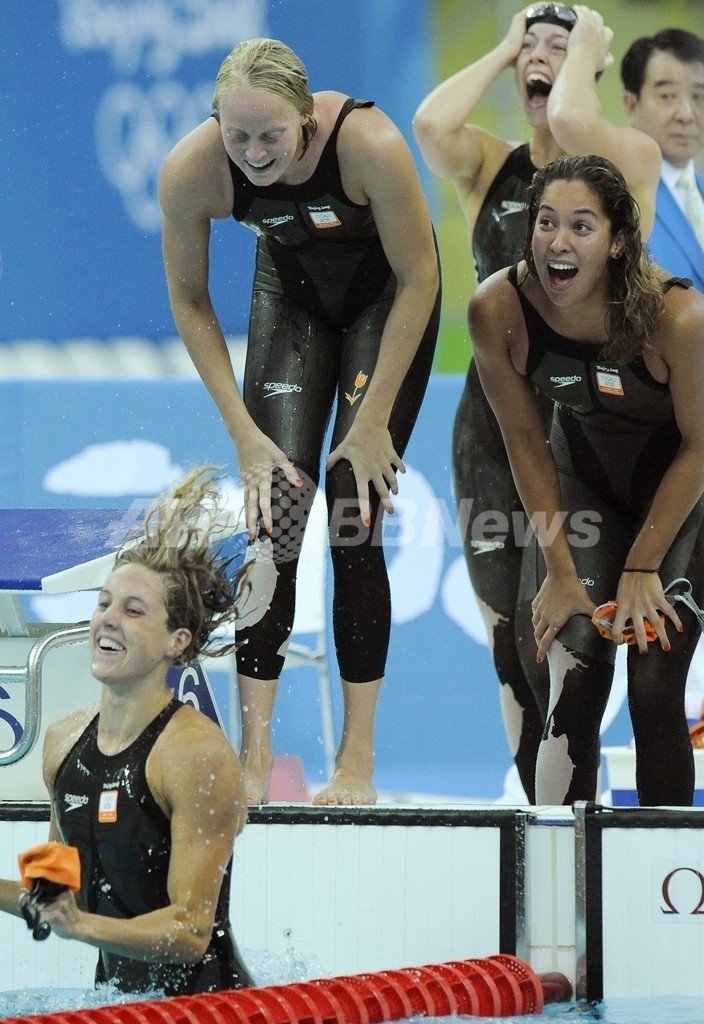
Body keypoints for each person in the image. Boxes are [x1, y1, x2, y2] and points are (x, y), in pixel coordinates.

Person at [158, 38, 441, 807]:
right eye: (237, 134)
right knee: (274, 517)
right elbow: (189, 303)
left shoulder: (367, 144)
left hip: (386, 306)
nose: (252, 154)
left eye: (271, 137)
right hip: (293, 306)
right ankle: (255, 756)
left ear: (306, 127)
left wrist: (374, 416)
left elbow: (421, 277)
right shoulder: (194, 169)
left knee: (354, 511)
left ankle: (356, 761)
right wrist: (244, 436)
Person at [413, 4, 660, 802]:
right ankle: (539, 822)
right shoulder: (492, 165)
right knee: (510, 650)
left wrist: (581, 56)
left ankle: (571, 826)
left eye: (559, 48)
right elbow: (429, 122)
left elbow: (567, 118)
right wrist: (504, 47)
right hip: (492, 433)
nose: (537, 60)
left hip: (577, 436)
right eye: (529, 49)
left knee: (561, 641)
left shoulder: (618, 165)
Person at [469, 153, 704, 805]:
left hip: (686, 502)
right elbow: (525, 442)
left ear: (619, 239)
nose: (558, 242)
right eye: (546, 223)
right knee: (571, 676)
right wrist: (562, 573)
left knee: (655, 684)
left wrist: (641, 570)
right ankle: (558, 885)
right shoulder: (500, 310)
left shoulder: (675, 318)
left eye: (580, 226)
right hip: (585, 490)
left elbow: (700, 448)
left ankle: (657, 892)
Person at [0, 468, 254, 996]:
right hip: (120, 1004)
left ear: (176, 642)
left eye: (133, 611)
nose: (108, 620)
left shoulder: (195, 753)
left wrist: (82, 927)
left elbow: (190, 932)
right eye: (103, 604)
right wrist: (52, 906)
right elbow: (57, 890)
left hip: (212, 1008)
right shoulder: (64, 742)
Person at [621, 28, 704, 292]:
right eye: (667, 96)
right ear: (632, 106)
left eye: (699, 97)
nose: (686, 114)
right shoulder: (617, 197)